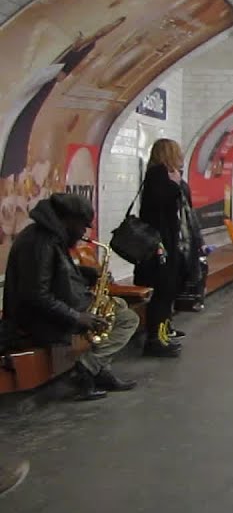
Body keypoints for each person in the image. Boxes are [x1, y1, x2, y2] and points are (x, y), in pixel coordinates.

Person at [0, 193, 139, 400]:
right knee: (127, 319)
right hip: (39, 321)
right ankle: (86, 368)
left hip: (59, 308)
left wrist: (91, 274)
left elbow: (59, 273)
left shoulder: (50, 236)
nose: (83, 231)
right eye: (82, 225)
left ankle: (100, 370)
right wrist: (78, 317)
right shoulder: (40, 243)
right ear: (68, 220)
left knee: (115, 306)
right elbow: (36, 295)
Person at [134, 138, 201, 357]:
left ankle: (164, 331)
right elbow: (167, 201)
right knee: (162, 293)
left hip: (169, 244)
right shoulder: (158, 175)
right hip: (160, 247)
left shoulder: (164, 175)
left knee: (168, 291)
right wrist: (175, 183)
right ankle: (156, 340)